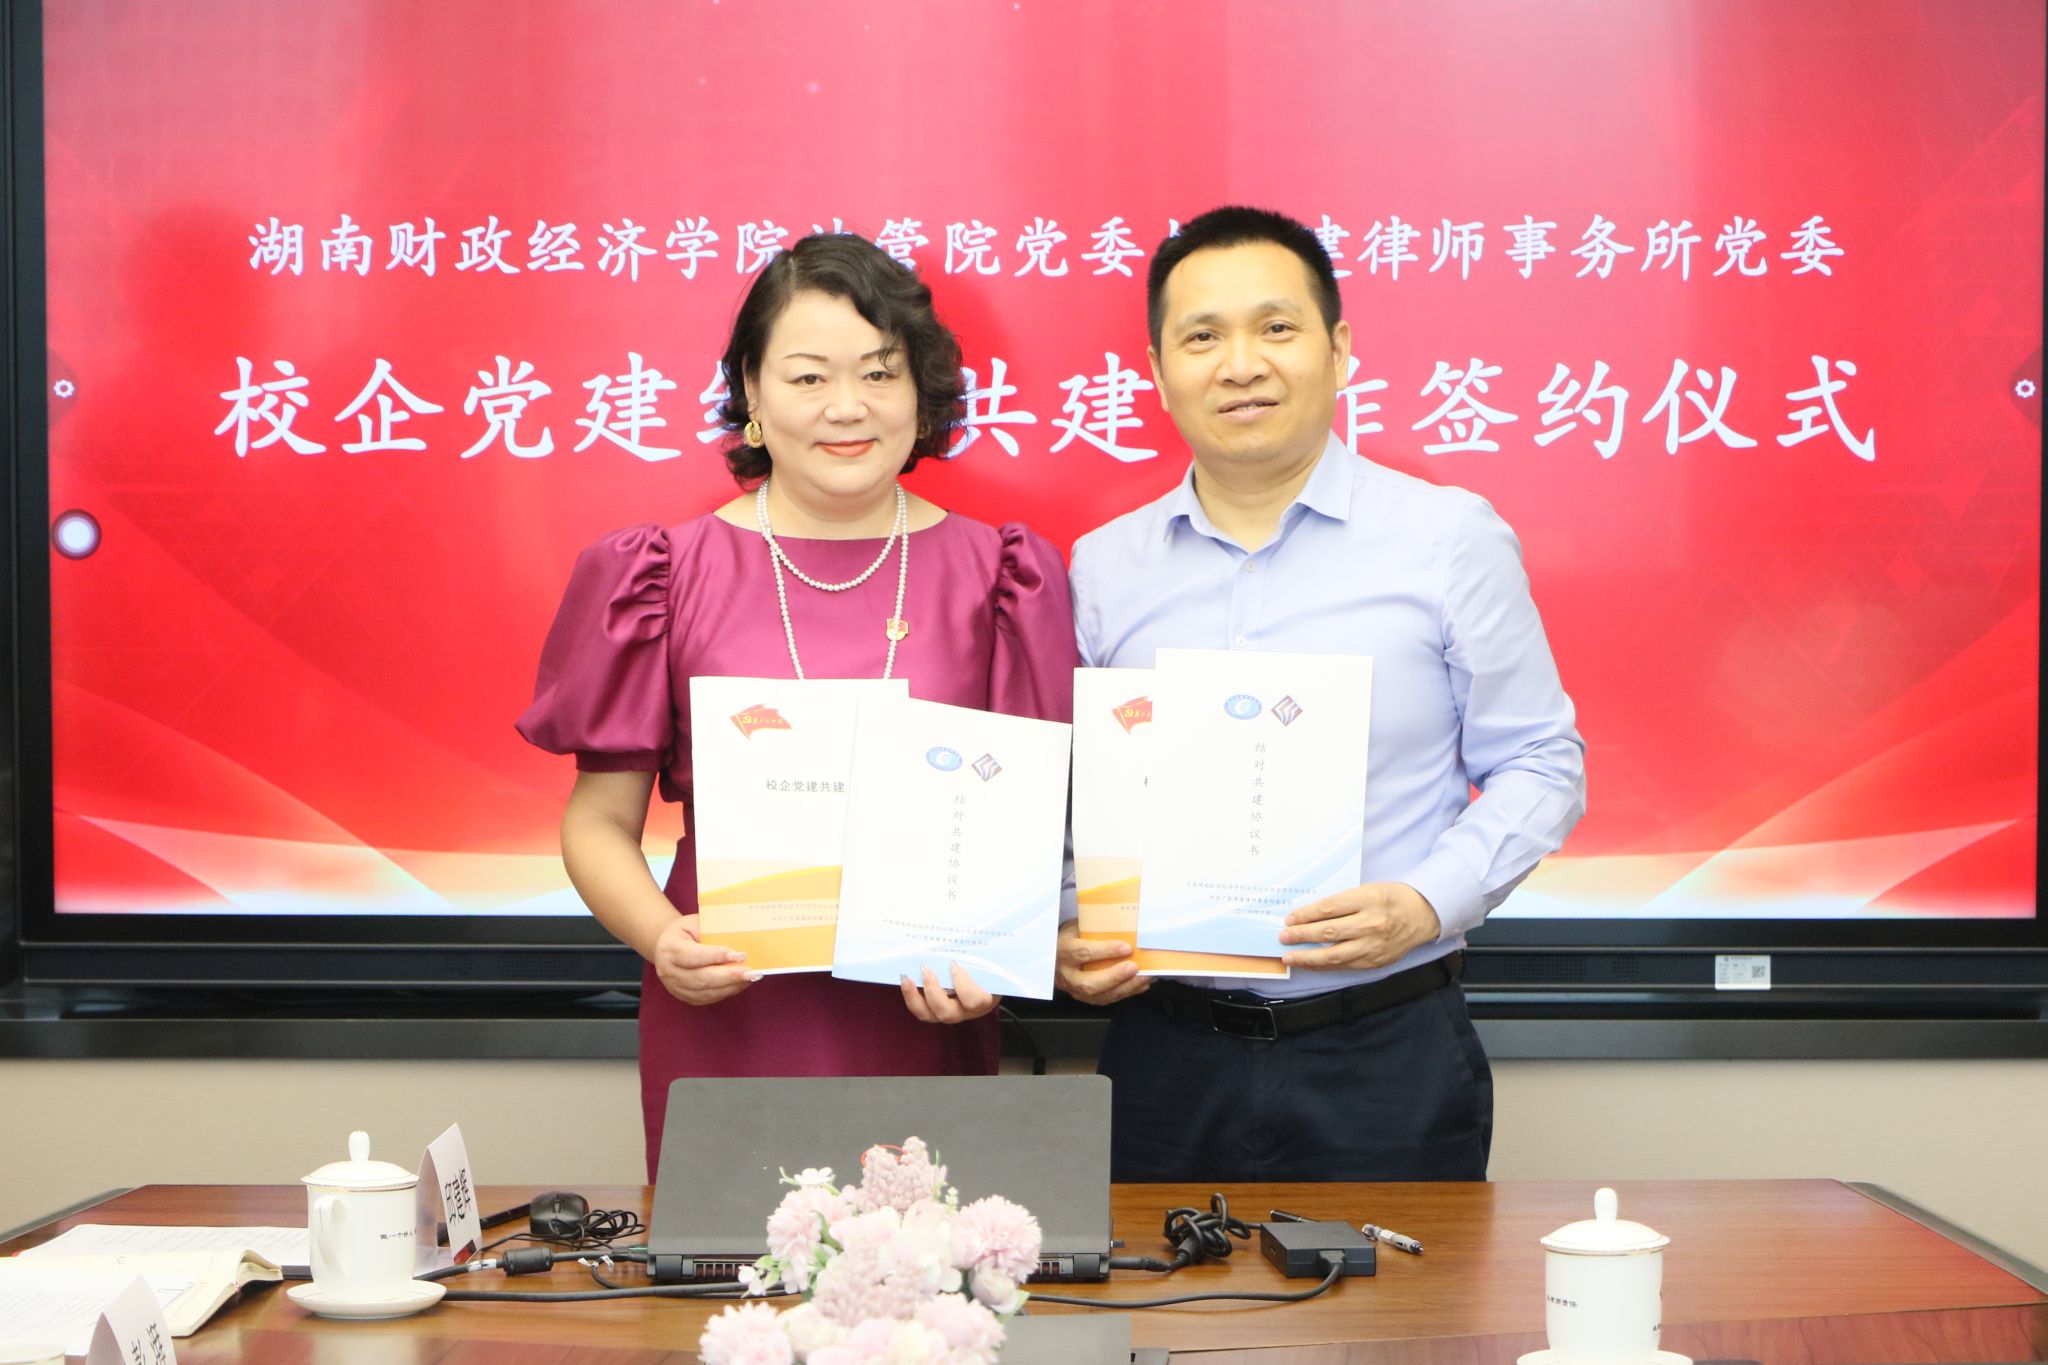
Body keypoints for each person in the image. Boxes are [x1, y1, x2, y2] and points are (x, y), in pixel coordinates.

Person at [518, 233, 1077, 1178]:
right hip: (732, 1009)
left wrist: (995, 960)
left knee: (925, 1268)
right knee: (731, 1260)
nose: (847, 406)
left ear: (921, 392)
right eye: (809, 376)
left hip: (922, 1016)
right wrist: (661, 938)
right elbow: (597, 822)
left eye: (880, 373)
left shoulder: (1002, 576)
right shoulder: (662, 573)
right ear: (752, 388)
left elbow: (1020, 829)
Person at [1056, 206, 1585, 1183]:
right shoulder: (1101, 569)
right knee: (1149, 1290)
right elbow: (1067, 787)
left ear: (1338, 350)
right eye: (1201, 338)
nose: (1240, 365)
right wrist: (1059, 924)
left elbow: (1540, 762)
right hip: (1165, 1052)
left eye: (1276, 327)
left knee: (1395, 1293)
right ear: (1157, 371)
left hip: (1383, 1048)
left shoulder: (1446, 538)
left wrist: (1427, 902)